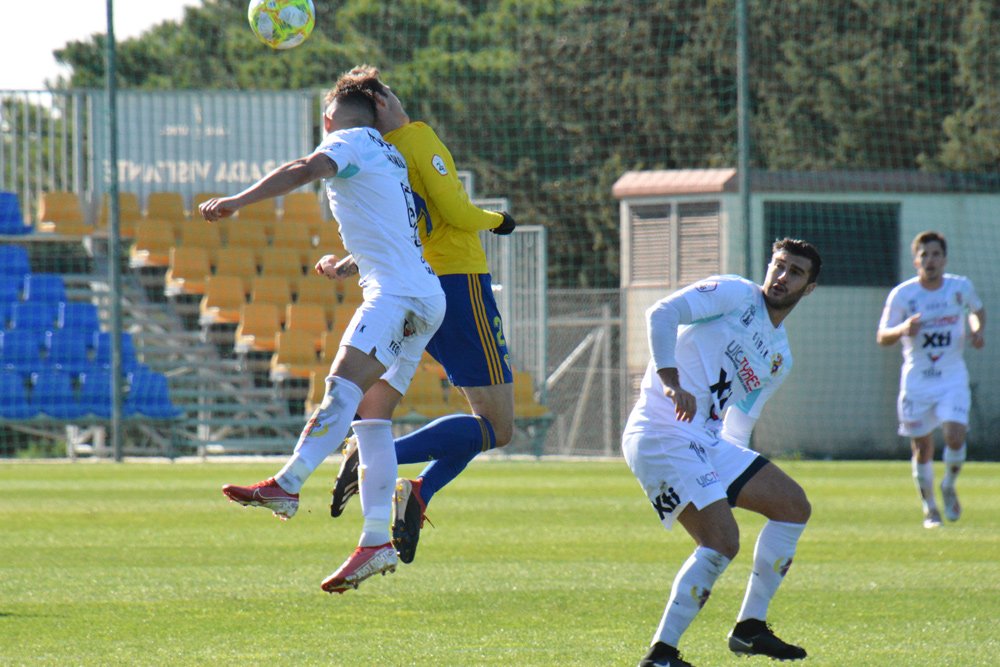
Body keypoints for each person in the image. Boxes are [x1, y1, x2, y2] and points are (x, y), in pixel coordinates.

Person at [200, 76, 446, 594]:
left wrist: (236, 202)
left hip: (397, 295)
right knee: (372, 422)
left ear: (329, 120)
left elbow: (303, 169)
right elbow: (402, 228)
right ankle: (376, 541)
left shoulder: (349, 141)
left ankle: (288, 485)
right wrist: (351, 263)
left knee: (342, 387)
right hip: (424, 295)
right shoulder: (389, 154)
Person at [324, 65, 517, 565]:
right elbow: (454, 211)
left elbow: (397, 226)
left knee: (488, 423)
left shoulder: (380, 157)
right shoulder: (414, 138)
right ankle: (366, 455)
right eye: (391, 92)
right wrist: (499, 221)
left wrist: (348, 263)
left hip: (416, 288)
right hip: (459, 282)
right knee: (498, 427)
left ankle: (418, 491)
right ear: (383, 103)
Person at [623, 238, 821, 667]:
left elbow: (741, 424)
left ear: (809, 289)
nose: (782, 277)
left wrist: (731, 480)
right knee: (722, 540)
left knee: (792, 505)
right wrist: (670, 379)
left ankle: (750, 628)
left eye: (796, 272)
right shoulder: (734, 294)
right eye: (780, 266)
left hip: (707, 442)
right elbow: (662, 312)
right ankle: (661, 654)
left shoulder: (779, 357)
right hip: (662, 430)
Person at [876, 230, 985, 529]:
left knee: (954, 435)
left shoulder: (959, 288)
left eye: (936, 254)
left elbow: (977, 311)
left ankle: (949, 484)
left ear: (945, 259)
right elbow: (882, 336)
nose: (931, 260)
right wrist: (902, 330)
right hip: (917, 381)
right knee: (922, 448)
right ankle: (930, 508)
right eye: (925, 255)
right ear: (916, 261)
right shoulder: (903, 294)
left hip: (951, 376)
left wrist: (976, 330)